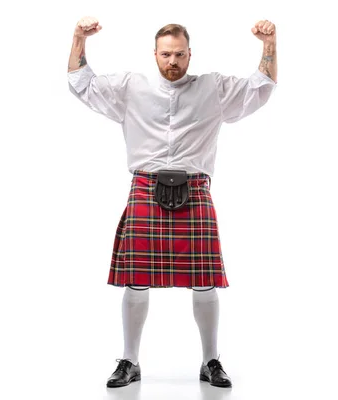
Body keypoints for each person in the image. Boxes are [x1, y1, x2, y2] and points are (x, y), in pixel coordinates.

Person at [67, 16, 277, 388]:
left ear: (190, 54)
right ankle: (129, 361)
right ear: (155, 54)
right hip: (145, 189)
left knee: (205, 282)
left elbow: (260, 88)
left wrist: (269, 44)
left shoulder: (213, 88)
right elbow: (81, 83)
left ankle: (210, 360)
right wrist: (78, 38)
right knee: (135, 281)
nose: (173, 61)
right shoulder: (131, 87)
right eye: (166, 54)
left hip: (195, 190)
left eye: (179, 54)